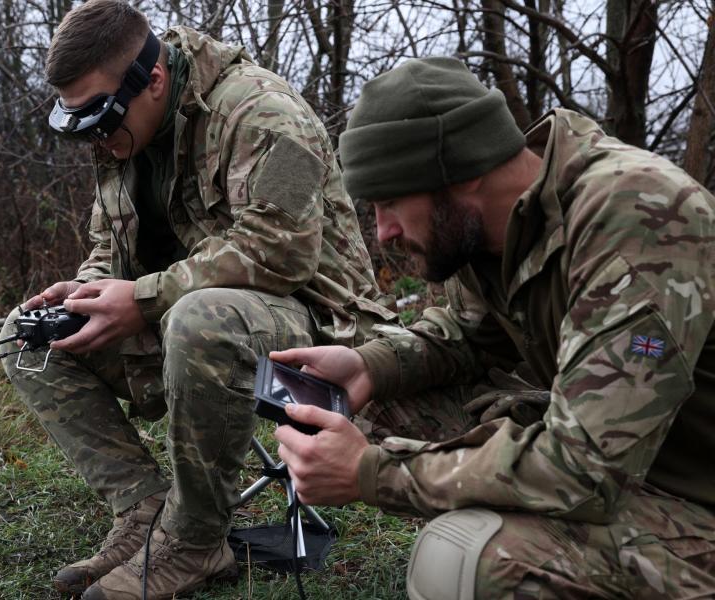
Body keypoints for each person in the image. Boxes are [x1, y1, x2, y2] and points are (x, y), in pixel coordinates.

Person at [273, 57, 715, 598]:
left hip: (685, 498)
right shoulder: (496, 226)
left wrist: (372, 473)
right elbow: (464, 330)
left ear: (465, 172)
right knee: (374, 402)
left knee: (463, 560)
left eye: (390, 202)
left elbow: (582, 469)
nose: (383, 232)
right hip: (634, 465)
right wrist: (371, 365)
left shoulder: (640, 221)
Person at [0, 1, 396, 598]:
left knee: (198, 317)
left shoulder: (263, 113)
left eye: (103, 118)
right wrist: (89, 291)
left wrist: (145, 296)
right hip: (185, 319)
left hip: (320, 338)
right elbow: (110, 247)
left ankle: (195, 542)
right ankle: (144, 513)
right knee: (29, 333)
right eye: (82, 125)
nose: (98, 139)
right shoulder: (121, 137)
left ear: (153, 79)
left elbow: (281, 251)